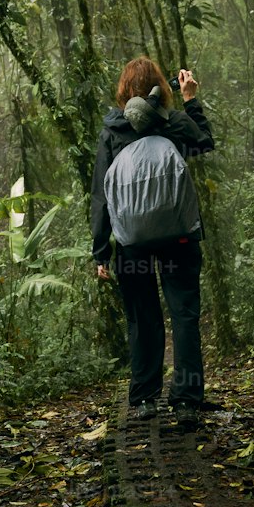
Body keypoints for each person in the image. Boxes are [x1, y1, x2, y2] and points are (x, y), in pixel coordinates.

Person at [91, 58, 214, 428]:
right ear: (161, 87)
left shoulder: (112, 130)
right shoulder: (172, 122)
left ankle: (145, 399)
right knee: (185, 314)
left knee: (143, 319)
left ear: (124, 90)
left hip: (132, 242)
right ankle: (187, 401)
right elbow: (203, 143)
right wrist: (190, 100)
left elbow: (100, 195)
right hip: (178, 234)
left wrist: (101, 250)